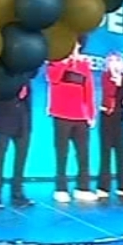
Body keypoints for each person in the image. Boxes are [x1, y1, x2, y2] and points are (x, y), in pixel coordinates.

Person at [46, 42, 97, 203]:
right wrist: (66, 61)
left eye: (75, 46)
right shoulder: (55, 62)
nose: (74, 48)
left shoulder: (84, 65)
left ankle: (83, 187)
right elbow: (53, 78)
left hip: (80, 117)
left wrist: (91, 114)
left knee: (83, 154)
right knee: (62, 153)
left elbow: (88, 91)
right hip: (61, 114)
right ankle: (61, 188)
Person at [0, 83, 33, 209]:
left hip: (23, 117)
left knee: (21, 156)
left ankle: (17, 192)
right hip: (2, 116)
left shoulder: (25, 71)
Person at [97, 51, 123, 199]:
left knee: (121, 152)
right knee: (105, 152)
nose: (114, 63)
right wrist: (116, 80)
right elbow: (109, 93)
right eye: (111, 61)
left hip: (120, 117)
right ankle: (103, 187)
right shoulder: (106, 76)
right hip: (107, 116)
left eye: (117, 61)